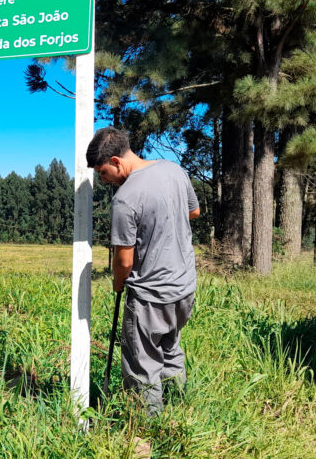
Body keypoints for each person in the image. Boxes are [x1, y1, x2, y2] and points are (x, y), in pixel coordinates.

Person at [86, 127, 200, 416]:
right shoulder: (173, 170)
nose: (104, 181)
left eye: (102, 173)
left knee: (142, 362)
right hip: (184, 288)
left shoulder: (126, 198)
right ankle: (179, 409)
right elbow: (193, 212)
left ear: (115, 161)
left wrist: (117, 284)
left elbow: (124, 261)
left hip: (151, 294)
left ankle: (148, 426)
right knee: (170, 347)